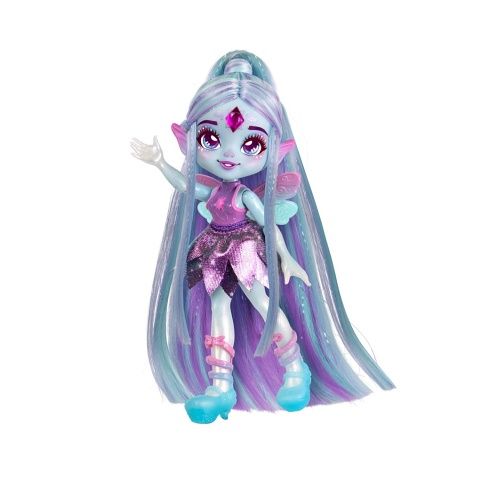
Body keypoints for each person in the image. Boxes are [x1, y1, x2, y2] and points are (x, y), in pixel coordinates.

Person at [131, 50, 395, 424]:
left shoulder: (244, 195)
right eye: (210, 137)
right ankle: (220, 385)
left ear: (276, 150)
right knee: (219, 308)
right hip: (214, 252)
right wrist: (160, 163)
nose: (228, 153)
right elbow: (188, 187)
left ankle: (295, 367)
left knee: (262, 304)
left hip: (243, 252)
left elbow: (268, 224)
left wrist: (286, 256)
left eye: (250, 145)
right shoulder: (213, 189)